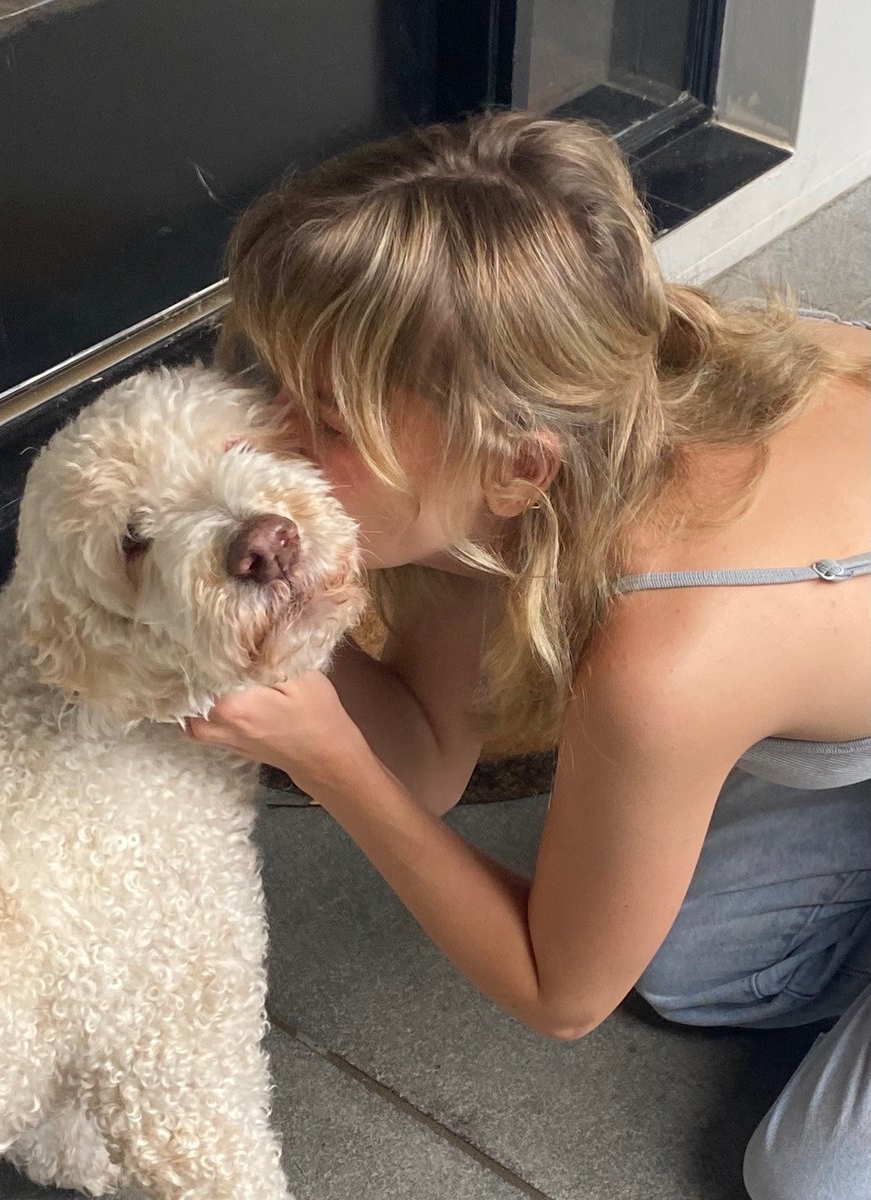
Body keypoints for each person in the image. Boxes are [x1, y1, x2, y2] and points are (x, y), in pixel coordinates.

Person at [186, 111, 871, 1200]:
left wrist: (329, 762)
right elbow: (427, 758)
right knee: (683, 962)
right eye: (278, 384)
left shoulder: (665, 653)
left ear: (515, 468)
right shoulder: (536, 443)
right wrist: (284, 624)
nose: (264, 441)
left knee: (807, 1178)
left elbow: (561, 995)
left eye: (324, 418)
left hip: (740, 645)